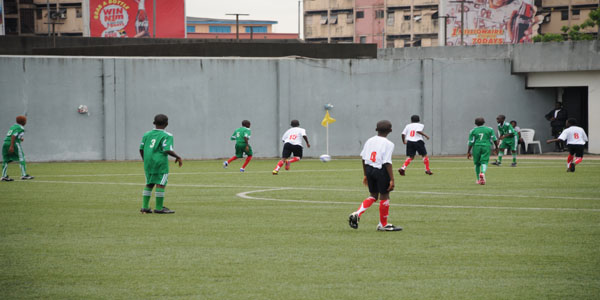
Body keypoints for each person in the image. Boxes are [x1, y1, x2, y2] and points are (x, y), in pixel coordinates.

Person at [348, 120, 402, 231]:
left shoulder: (369, 141)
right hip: (380, 170)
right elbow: (387, 162)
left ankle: (357, 213)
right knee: (384, 195)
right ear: (390, 130)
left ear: (376, 129)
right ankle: (383, 224)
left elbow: (363, 158)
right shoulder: (389, 144)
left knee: (373, 195)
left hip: (369, 169)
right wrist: (392, 179)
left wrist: (365, 175)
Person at [139, 114, 182, 214]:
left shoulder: (146, 134)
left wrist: (145, 160)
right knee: (161, 184)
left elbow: (141, 149)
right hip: (160, 163)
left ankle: (144, 207)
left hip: (148, 163)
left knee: (149, 183)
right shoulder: (167, 135)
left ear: (154, 123)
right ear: (167, 124)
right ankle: (159, 208)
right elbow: (167, 149)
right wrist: (177, 157)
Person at [467, 117, 499, 185]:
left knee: (477, 163)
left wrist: (468, 152)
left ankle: (478, 179)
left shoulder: (473, 131)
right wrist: (496, 147)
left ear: (475, 123)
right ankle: (482, 173)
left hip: (476, 147)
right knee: (484, 162)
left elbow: (471, 142)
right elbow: (494, 139)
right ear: (484, 122)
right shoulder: (489, 129)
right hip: (486, 146)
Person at [2, 115, 34, 181]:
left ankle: (4, 176)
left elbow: (13, 135)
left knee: (5, 159)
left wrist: (20, 138)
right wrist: (11, 146)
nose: (26, 122)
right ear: (23, 122)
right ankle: (24, 175)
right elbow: (13, 136)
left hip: (5, 143)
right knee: (22, 158)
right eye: (25, 121)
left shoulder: (13, 126)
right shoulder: (21, 128)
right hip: (14, 143)